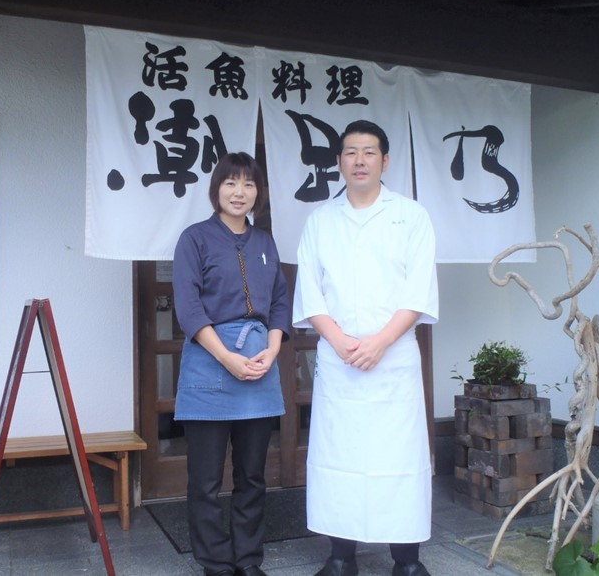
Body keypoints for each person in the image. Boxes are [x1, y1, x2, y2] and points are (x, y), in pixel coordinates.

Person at [292, 120, 439, 576]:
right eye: (350, 152)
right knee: (340, 457)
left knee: (400, 458)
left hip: (393, 357)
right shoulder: (320, 220)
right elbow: (310, 292)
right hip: (339, 359)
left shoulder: (411, 215)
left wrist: (379, 342)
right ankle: (341, 557)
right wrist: (338, 341)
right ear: (338, 162)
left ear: (385, 161)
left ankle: (407, 561)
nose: (359, 160)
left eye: (369, 152)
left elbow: (418, 291)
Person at [172, 152, 291, 576]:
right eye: (230, 183)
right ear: (216, 189)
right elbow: (187, 308)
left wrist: (274, 349)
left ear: (258, 193)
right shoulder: (195, 238)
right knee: (204, 481)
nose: (239, 192)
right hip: (209, 363)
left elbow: (279, 299)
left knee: (252, 476)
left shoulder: (264, 242)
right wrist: (226, 358)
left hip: (259, 365)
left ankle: (248, 559)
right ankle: (215, 563)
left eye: (248, 184)